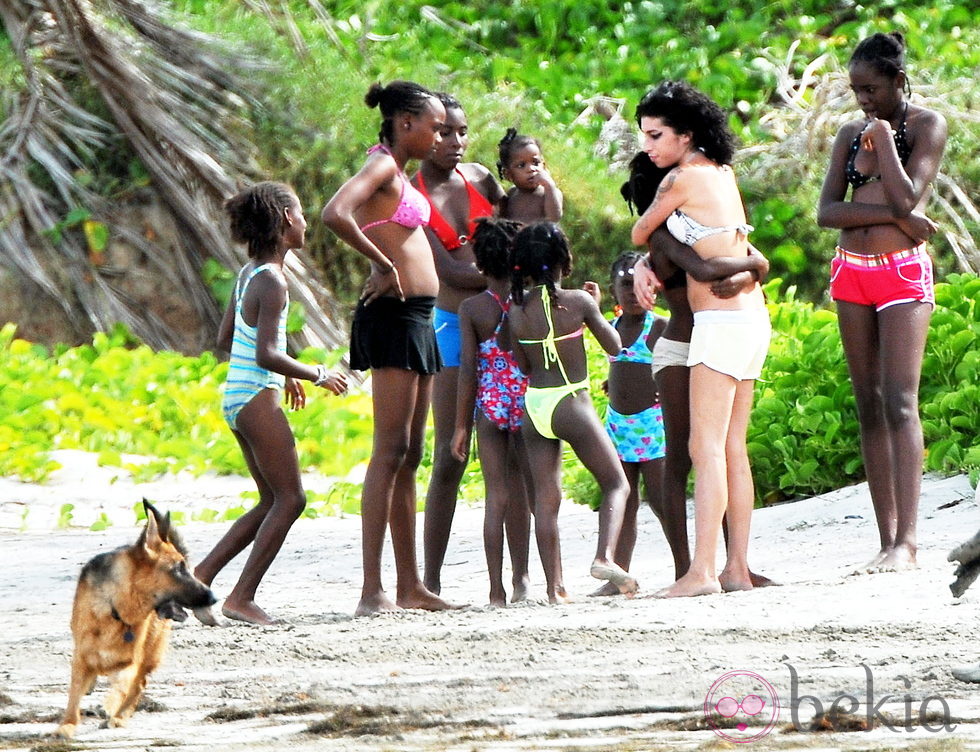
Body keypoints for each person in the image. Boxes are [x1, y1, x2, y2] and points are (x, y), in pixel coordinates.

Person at [321, 80, 457, 616]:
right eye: (435, 126)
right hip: (394, 317)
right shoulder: (380, 166)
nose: (441, 135)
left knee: (411, 453)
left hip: (419, 317)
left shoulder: (401, 174)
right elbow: (336, 213)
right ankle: (371, 589)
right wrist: (383, 262)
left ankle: (410, 586)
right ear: (405, 124)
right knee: (388, 451)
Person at [630, 81, 770, 598]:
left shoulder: (682, 178)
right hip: (752, 318)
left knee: (704, 446)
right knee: (733, 446)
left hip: (721, 323)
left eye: (656, 135)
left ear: (685, 135)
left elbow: (639, 231)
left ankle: (702, 572)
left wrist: (651, 249)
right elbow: (723, 244)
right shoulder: (722, 173)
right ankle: (735, 568)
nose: (650, 148)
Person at [817, 32, 947, 574]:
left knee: (899, 401)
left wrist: (886, 145)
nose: (863, 100)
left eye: (872, 89)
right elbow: (827, 212)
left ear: (898, 81)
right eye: (856, 91)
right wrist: (899, 222)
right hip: (853, 274)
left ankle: (908, 543)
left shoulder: (926, 127)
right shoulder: (849, 134)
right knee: (867, 403)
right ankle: (884, 538)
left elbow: (906, 196)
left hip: (901, 277)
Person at [194, 182, 347, 626]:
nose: (304, 222)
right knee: (292, 498)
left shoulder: (249, 274)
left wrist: (283, 369)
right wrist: (315, 373)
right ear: (284, 219)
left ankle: (199, 578)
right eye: (299, 214)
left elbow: (229, 338)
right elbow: (264, 352)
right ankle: (241, 598)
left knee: (270, 499)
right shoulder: (275, 281)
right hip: (257, 398)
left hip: (237, 397)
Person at [409, 92, 509, 595]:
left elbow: (527, 231)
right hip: (449, 325)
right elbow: (447, 270)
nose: (454, 142)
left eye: (462, 132)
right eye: (444, 132)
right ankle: (430, 578)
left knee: (516, 447)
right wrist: (507, 272)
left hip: (503, 324)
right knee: (451, 453)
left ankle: (519, 578)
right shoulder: (411, 193)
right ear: (423, 132)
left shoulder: (481, 180)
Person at [508, 222, 637, 603]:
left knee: (545, 502)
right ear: (563, 260)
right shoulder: (578, 301)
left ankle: (554, 588)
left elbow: (522, 364)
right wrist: (595, 308)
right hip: (571, 402)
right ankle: (603, 556)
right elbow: (614, 345)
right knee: (617, 483)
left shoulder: (516, 309)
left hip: (536, 405)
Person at [450, 217, 532, 606]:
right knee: (524, 494)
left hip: (491, 406)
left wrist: (460, 427)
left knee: (496, 496)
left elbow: (468, 368)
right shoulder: (530, 301)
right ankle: (523, 579)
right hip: (530, 403)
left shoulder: (472, 308)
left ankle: (495, 590)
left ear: (479, 265)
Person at [589, 251, 668, 596]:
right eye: (625, 285)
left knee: (664, 500)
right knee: (625, 503)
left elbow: (674, 369)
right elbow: (618, 363)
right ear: (613, 289)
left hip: (652, 426)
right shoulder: (612, 327)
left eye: (639, 285)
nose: (633, 293)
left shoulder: (661, 326)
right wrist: (616, 381)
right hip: (618, 426)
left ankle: (686, 566)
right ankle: (616, 577)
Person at [496, 128, 563, 223]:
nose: (531, 169)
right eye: (521, 165)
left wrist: (549, 186)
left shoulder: (549, 193)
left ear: (543, 165)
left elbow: (554, 218)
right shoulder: (512, 193)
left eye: (536, 163)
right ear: (508, 174)